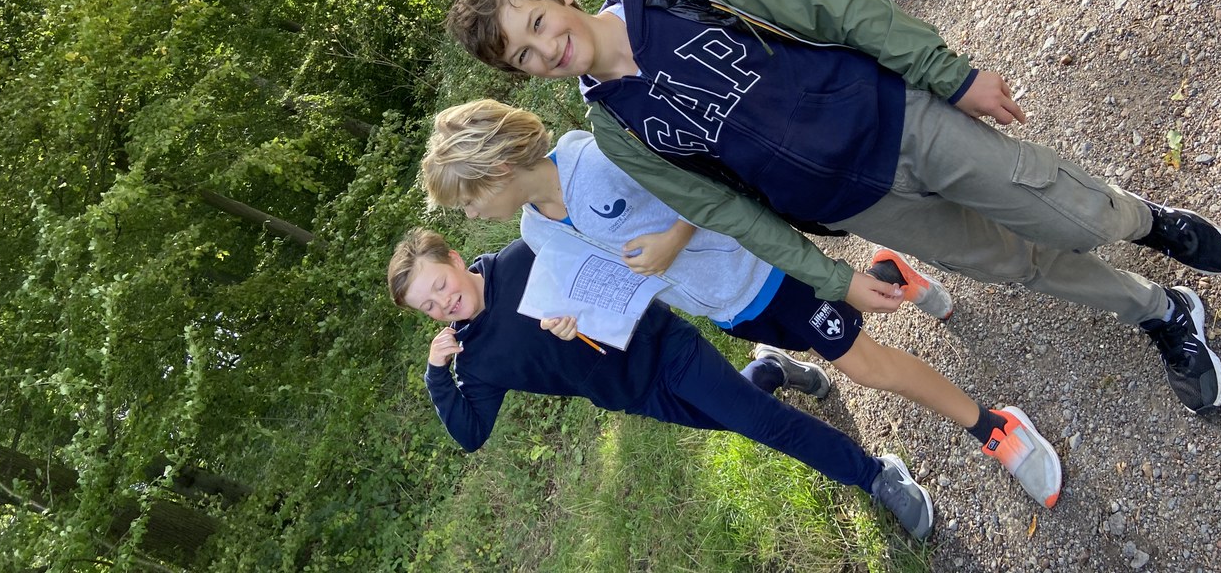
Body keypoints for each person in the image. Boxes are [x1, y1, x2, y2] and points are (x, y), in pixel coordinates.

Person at [435, 0, 1221, 415]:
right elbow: (724, 209)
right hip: (856, 204)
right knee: (1015, 263)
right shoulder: (614, 127)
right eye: (524, 57)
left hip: (902, 121)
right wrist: (832, 278)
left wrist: (948, 75)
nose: (545, 49)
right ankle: (1158, 310)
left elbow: (828, 9)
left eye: (536, 23)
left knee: (1069, 216)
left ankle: (1144, 220)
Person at [418, 99, 1064, 507]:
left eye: (468, 201)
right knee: (828, 336)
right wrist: (574, 319)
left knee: (864, 365)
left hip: (762, 265)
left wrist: (673, 240)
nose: (470, 217)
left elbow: (703, 182)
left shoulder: (597, 159)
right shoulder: (535, 233)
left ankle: (992, 425)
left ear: (496, 172)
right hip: (726, 308)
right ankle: (887, 274)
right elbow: (597, 281)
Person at [388, 228, 936, 540]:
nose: (442, 303)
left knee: (763, 424)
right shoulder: (474, 361)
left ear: (454, 259)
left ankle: (875, 475)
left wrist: (582, 314)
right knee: (738, 417)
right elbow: (471, 433)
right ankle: (770, 369)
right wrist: (437, 375)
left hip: (663, 346)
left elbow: (618, 266)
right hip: (636, 393)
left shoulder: (528, 253)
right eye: (427, 306)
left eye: (439, 285)